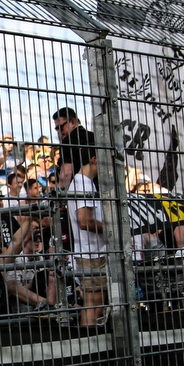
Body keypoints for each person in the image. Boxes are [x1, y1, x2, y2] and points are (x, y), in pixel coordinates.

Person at [67, 132, 107, 326]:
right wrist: (112, 229)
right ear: (94, 158)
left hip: (92, 253)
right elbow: (84, 221)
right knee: (94, 304)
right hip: (90, 255)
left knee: (96, 303)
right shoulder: (83, 183)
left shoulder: (85, 183)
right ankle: (89, 346)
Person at [53, 107, 90, 189]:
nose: (59, 132)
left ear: (73, 122)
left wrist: (62, 197)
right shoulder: (94, 137)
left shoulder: (67, 141)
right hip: (97, 191)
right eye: (56, 129)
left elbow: (66, 174)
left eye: (60, 127)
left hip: (77, 192)